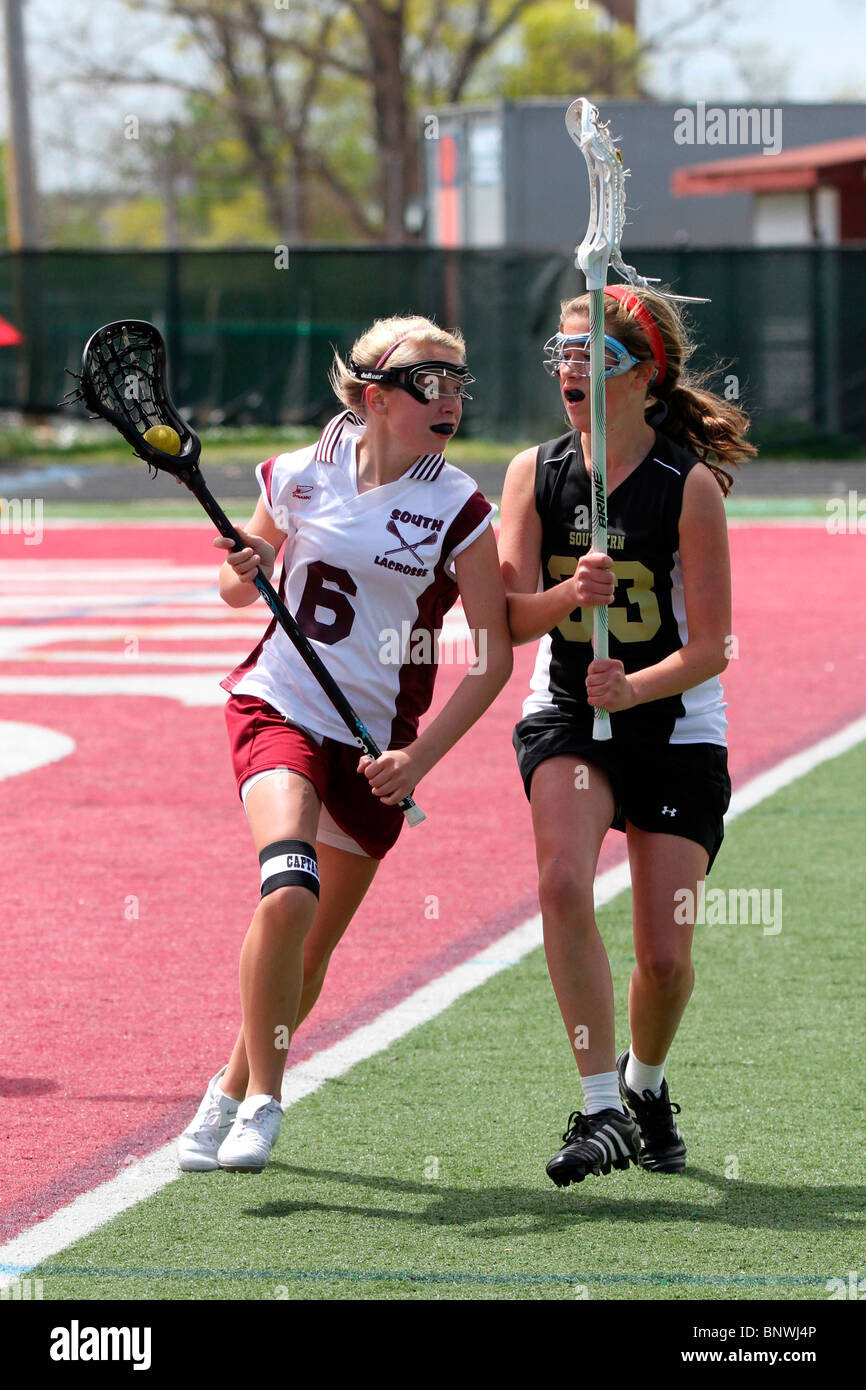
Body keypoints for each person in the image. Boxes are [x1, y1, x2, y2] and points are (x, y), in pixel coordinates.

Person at [177, 315, 512, 1173]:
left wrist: (419, 758)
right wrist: (244, 567)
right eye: (429, 384)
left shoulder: (459, 507)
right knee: (287, 895)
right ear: (375, 396)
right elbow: (232, 586)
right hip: (277, 706)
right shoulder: (298, 472)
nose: (450, 400)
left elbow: (494, 653)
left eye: (458, 383)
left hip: (376, 744)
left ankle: (224, 1090)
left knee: (311, 948)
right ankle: (266, 1101)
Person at [498, 284, 756, 1187]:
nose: (570, 373)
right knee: (564, 879)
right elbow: (507, 620)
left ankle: (643, 1083)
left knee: (665, 957)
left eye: (591, 359)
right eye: (561, 357)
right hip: (569, 713)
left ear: (643, 377)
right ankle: (600, 1105)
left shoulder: (686, 488)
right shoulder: (535, 473)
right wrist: (572, 598)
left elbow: (713, 647)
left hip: (676, 726)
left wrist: (634, 682)